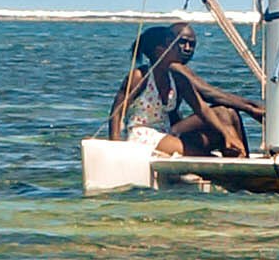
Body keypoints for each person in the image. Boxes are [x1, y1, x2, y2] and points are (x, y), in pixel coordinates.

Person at [105, 19, 249, 157]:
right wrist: (116, 147)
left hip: (166, 133)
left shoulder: (178, 77)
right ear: (160, 50)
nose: (184, 49)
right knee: (203, 156)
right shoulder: (140, 76)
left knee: (221, 134)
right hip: (143, 135)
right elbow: (116, 113)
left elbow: (202, 108)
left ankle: (244, 167)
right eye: (175, 45)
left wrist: (227, 135)